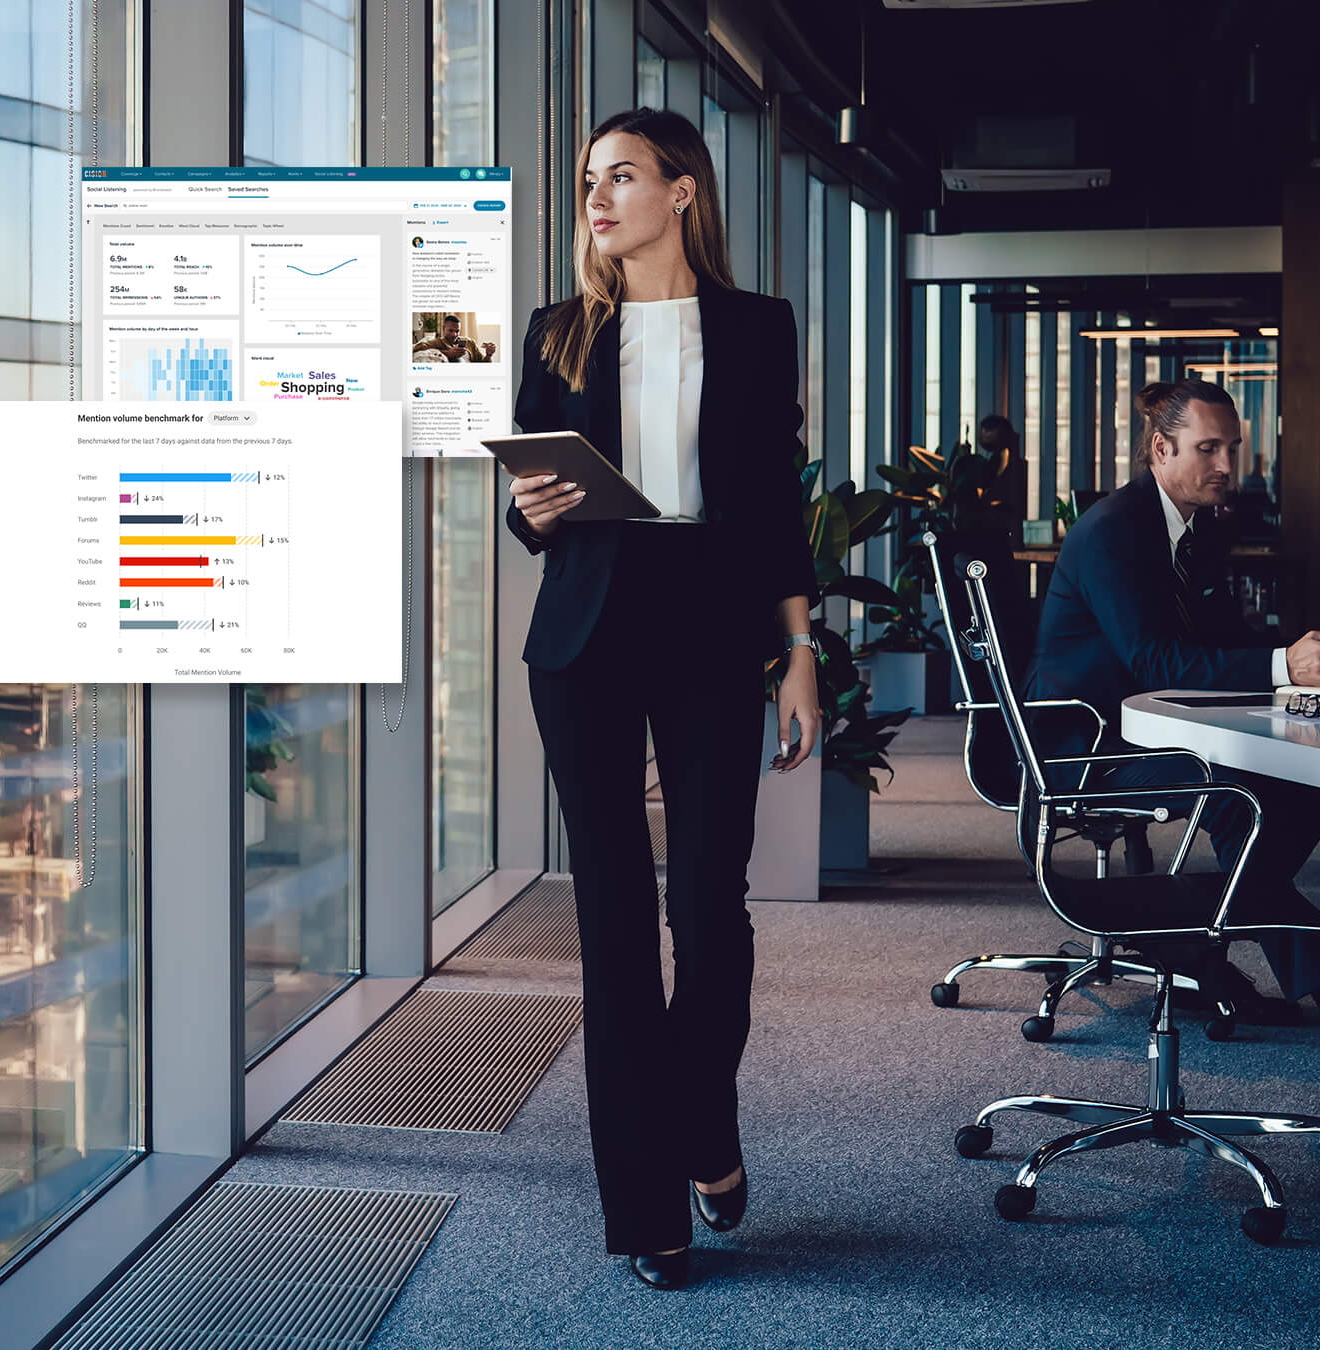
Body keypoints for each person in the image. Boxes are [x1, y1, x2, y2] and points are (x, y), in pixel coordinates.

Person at [504, 106, 820, 1291]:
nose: (597, 198)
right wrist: (528, 511)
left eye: (622, 176)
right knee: (615, 931)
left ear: (682, 191)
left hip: (707, 628)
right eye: (589, 179)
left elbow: (778, 504)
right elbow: (534, 498)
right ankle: (648, 1215)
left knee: (711, 910)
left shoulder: (754, 329)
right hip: (585, 640)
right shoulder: (559, 333)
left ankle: (704, 1119)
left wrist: (798, 652)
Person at [1025, 378, 1320, 1084]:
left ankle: (1195, 944)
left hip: (1157, 732)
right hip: (1084, 751)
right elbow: (1155, 659)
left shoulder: (1198, 530)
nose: (1224, 465)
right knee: (1246, 791)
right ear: (1160, 448)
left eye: (1231, 448)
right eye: (1207, 448)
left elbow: (1223, 641)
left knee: (1305, 787)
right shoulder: (1115, 530)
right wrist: (1280, 664)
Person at [412, 313, 480, 361]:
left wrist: (488, 355)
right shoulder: (437, 342)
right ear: (443, 329)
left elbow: (483, 361)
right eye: (450, 330)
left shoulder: (470, 342)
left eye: (457, 331)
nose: (454, 334)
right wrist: (447, 353)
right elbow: (416, 347)